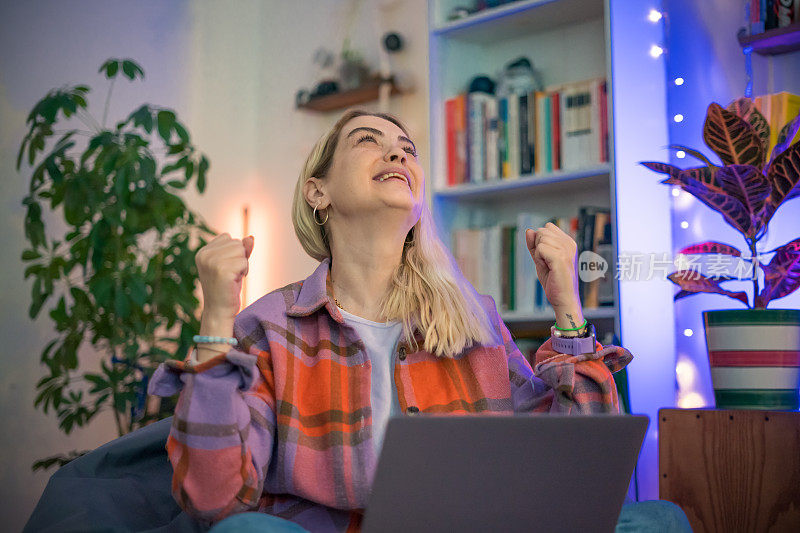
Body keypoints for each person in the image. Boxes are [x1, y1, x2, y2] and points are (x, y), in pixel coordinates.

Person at [147, 109, 692, 532]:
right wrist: (217, 317)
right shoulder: (269, 326)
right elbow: (214, 501)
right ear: (319, 192)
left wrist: (568, 311)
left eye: (408, 149)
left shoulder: (473, 318)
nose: (397, 153)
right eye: (369, 141)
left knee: (661, 521)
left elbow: (581, 480)